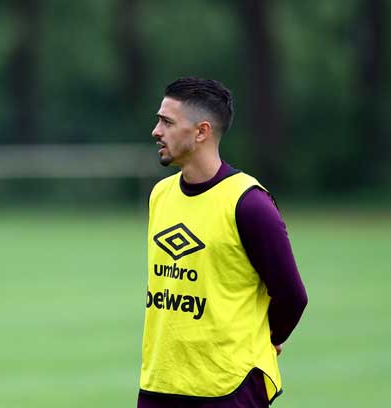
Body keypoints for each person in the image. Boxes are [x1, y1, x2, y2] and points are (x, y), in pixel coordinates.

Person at [138, 77, 307, 408]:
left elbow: (291, 296)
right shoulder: (160, 195)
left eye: (167, 122)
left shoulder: (248, 203)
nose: (156, 131)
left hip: (229, 387)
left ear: (201, 131)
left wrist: (266, 338)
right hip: (160, 383)